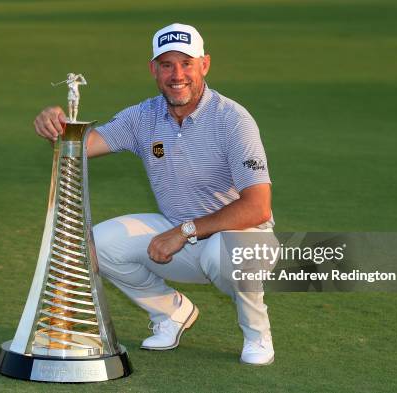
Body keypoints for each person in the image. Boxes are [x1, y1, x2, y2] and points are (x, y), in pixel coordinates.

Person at [34, 23, 278, 365]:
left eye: (186, 63)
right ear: (154, 70)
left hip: (243, 239)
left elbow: (258, 208)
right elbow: (82, 147)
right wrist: (56, 126)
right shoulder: (142, 117)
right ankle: (171, 314)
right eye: (167, 65)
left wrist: (183, 231)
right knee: (99, 245)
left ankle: (257, 334)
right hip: (180, 236)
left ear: (204, 65)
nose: (177, 75)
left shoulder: (233, 120)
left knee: (226, 254)